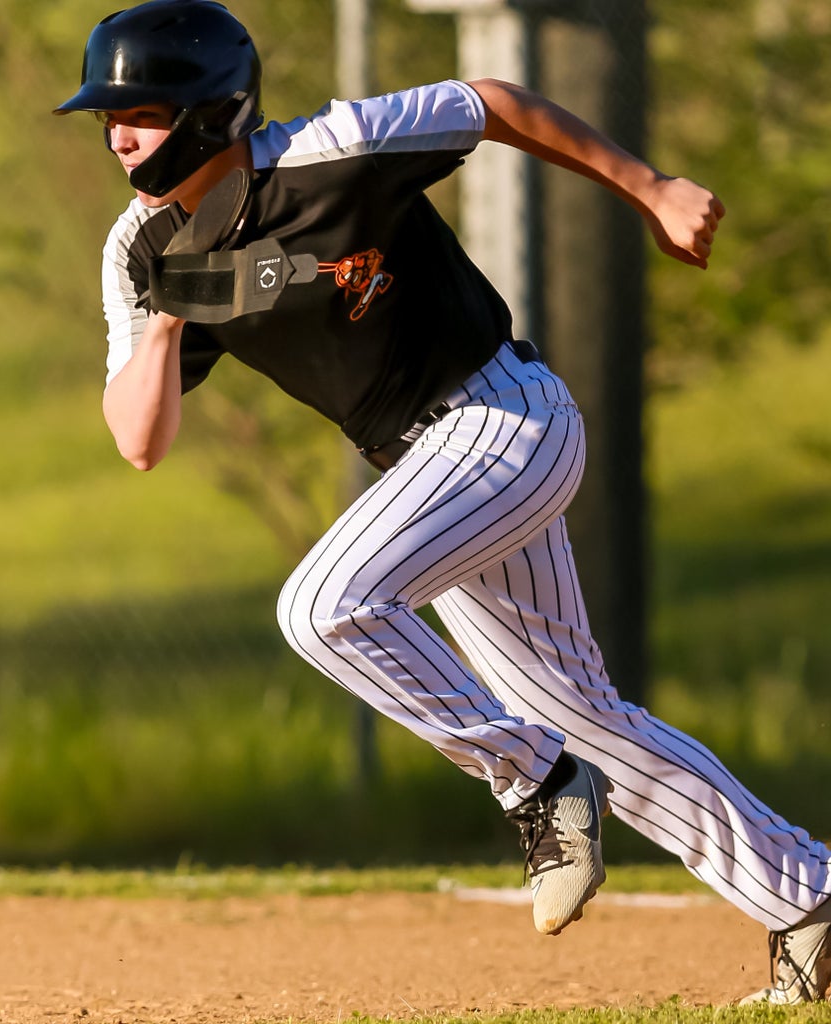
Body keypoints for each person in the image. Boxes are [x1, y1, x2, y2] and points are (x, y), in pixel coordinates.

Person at [54, 0, 831, 1001]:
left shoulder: (332, 151)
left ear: (210, 110)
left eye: (140, 111)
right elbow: (139, 439)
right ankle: (804, 896)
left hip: (506, 416)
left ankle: (534, 783)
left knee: (321, 606)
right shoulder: (138, 253)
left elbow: (493, 103)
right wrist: (161, 328)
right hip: (425, 469)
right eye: (107, 114)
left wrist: (652, 187)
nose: (117, 132)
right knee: (580, 714)